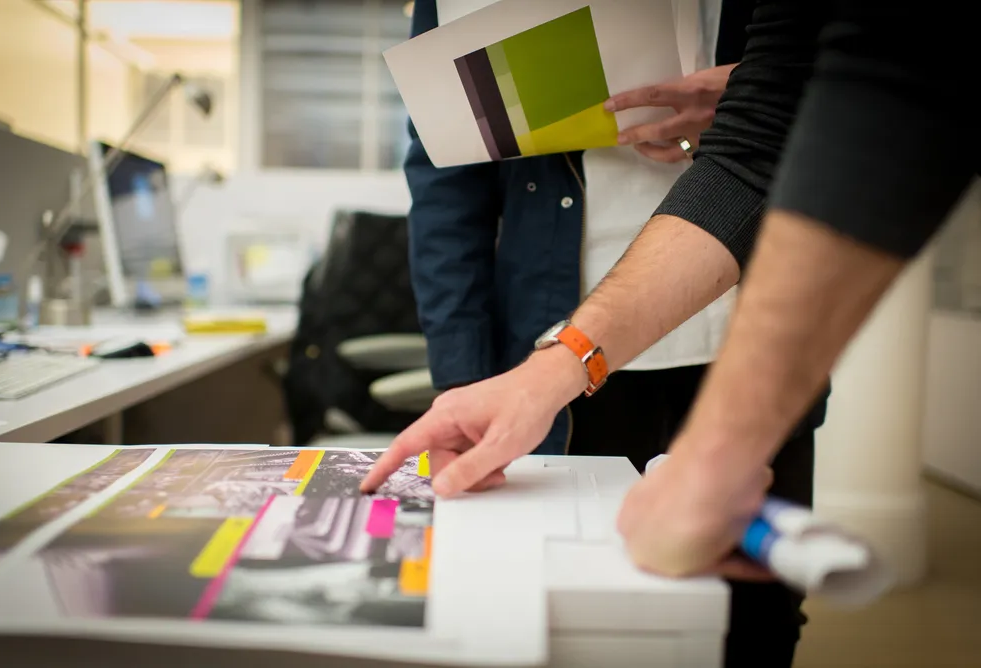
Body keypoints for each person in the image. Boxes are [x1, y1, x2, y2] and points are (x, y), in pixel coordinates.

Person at [364, 0, 977, 580]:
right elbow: (760, 146)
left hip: (735, 332)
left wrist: (716, 458)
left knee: (748, 618)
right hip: (566, 341)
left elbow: (860, 95)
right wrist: (521, 377)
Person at [379, 1, 825, 665]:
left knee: (753, 614)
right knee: (575, 613)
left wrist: (764, 111)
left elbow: (832, 122)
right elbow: (448, 187)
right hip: (562, 359)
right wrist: (470, 382)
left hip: (751, 345)